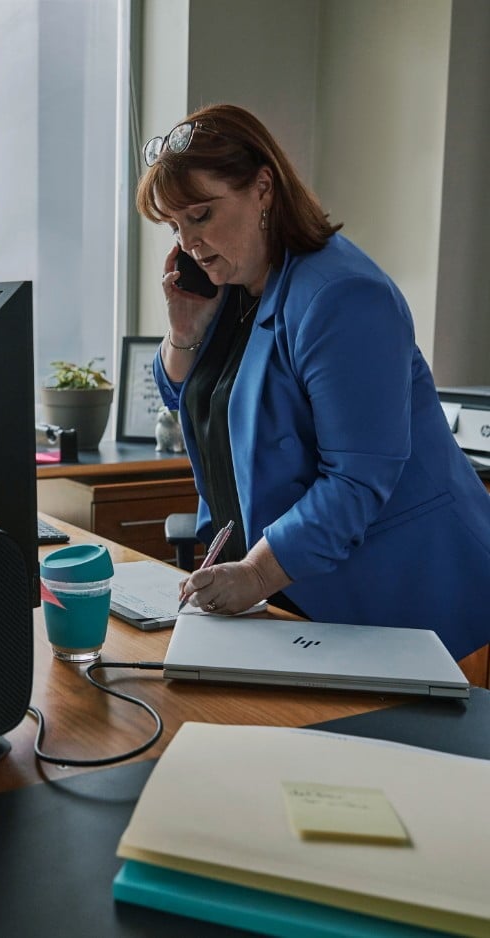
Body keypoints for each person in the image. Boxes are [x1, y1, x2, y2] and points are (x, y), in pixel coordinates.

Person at [137, 102, 490, 662]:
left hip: (393, 601)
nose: (188, 243)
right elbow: (196, 406)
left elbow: (357, 478)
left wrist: (255, 574)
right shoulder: (231, 285)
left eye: (201, 215)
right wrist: (184, 330)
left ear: (263, 189)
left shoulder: (342, 296)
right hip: (291, 591)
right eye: (174, 225)